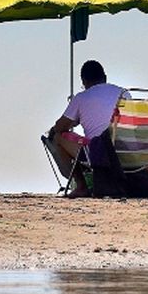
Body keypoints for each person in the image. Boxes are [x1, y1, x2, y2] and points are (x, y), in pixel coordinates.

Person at [45, 60, 126, 196]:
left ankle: (81, 185)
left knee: (59, 137)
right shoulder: (123, 93)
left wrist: (71, 121)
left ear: (83, 81)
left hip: (99, 153)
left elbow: (60, 127)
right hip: (126, 149)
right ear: (105, 78)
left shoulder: (81, 98)